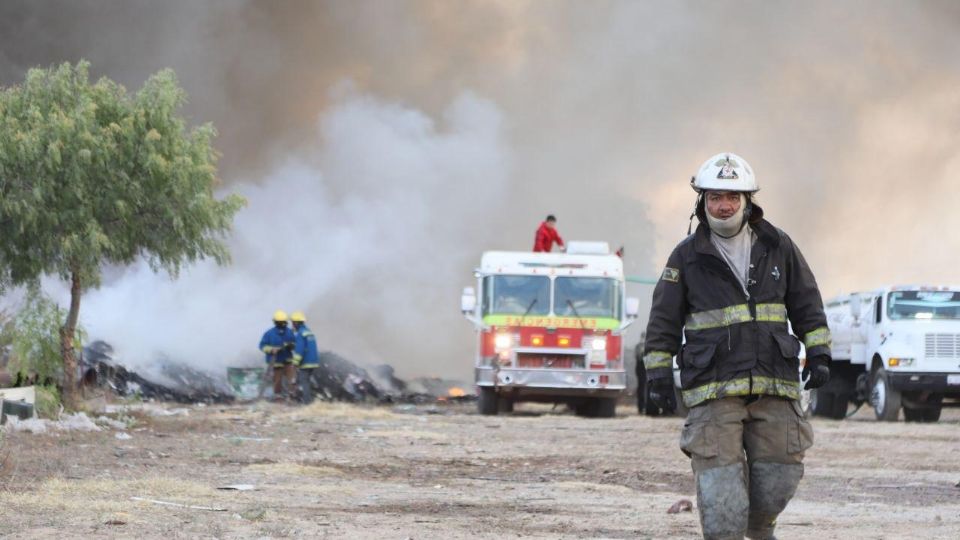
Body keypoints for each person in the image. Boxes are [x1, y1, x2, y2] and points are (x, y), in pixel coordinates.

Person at [642, 152, 831, 540]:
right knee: (723, 502)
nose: (723, 205)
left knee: (779, 477)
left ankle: (761, 530)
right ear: (702, 203)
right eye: (714, 197)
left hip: (774, 383)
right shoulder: (686, 257)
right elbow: (663, 319)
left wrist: (820, 352)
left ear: (748, 202)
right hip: (713, 391)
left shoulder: (779, 245)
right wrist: (657, 373)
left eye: (732, 197)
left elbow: (807, 302)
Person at [259, 310, 297, 400]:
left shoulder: (289, 332)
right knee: (277, 380)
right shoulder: (269, 333)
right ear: (276, 322)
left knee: (292, 379)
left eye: (284, 322)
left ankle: (293, 396)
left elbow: (295, 343)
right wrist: (271, 349)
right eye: (281, 322)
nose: (284, 323)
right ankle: (278, 397)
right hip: (275, 361)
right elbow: (262, 346)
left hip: (288, 360)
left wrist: (291, 345)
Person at [290, 311, 319, 404]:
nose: (292, 325)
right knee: (306, 381)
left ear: (296, 323)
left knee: (304, 382)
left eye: (293, 323)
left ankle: (307, 403)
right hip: (313, 362)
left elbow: (299, 350)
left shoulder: (300, 334)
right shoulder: (309, 332)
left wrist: (295, 363)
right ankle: (305, 399)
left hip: (305, 362)